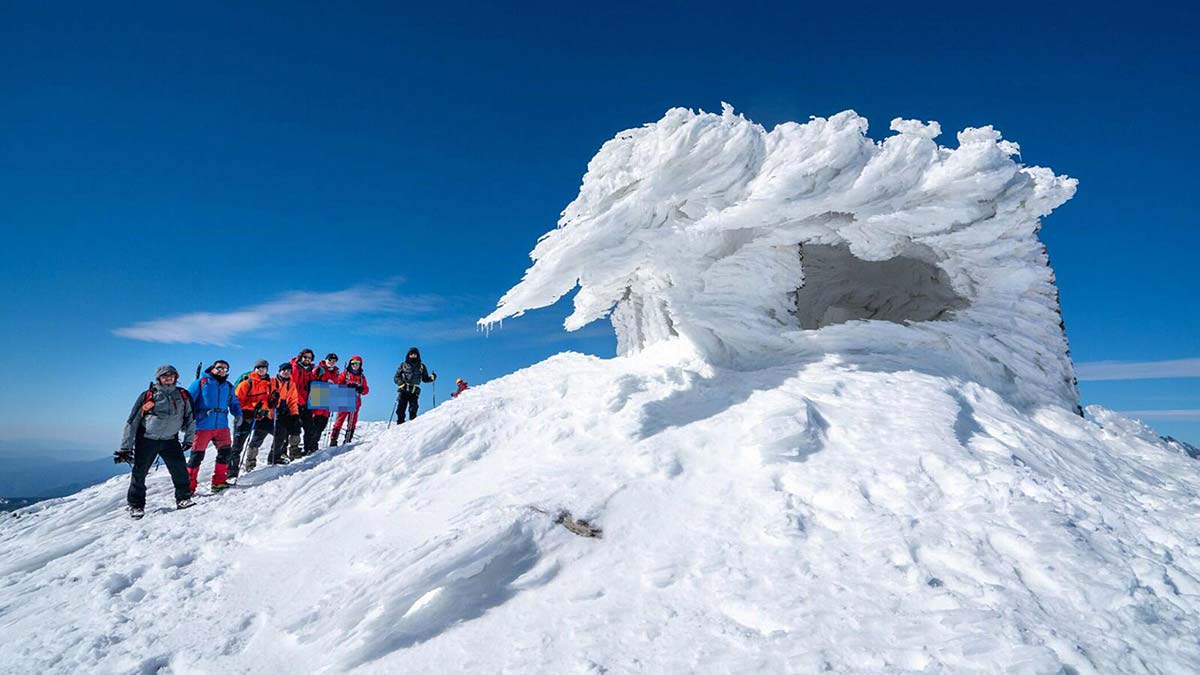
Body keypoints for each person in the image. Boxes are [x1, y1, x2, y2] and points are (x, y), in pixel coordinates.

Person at [119, 365, 196, 518]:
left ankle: (183, 499)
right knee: (139, 473)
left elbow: (190, 418)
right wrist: (126, 447)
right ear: (158, 378)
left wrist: (189, 439)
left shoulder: (183, 395)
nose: (168, 378)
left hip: (170, 440)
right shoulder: (148, 395)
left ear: (176, 377)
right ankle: (136, 505)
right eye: (165, 376)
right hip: (147, 439)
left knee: (180, 470)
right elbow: (133, 421)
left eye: (171, 375)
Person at [186, 359, 243, 492]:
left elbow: (234, 403)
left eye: (225, 369)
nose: (222, 371)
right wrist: (189, 420)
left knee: (225, 453)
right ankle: (189, 487)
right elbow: (188, 402)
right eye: (219, 368)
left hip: (222, 426)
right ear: (212, 368)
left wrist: (238, 414)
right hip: (202, 426)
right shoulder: (201, 383)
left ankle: (218, 482)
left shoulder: (228, 386)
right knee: (196, 457)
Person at [229, 359, 272, 481]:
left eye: (264, 367)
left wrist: (267, 406)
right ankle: (231, 472)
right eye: (259, 367)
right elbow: (236, 402)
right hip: (244, 416)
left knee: (278, 432)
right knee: (237, 446)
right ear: (255, 368)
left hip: (259, 417)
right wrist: (253, 406)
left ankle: (251, 465)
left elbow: (265, 400)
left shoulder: (268, 383)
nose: (261, 369)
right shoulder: (246, 383)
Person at [331, 355, 369, 446]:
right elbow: (337, 384)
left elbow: (366, 390)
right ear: (350, 364)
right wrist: (346, 386)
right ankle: (333, 440)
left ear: (360, 364)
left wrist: (361, 389)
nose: (354, 365)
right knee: (339, 421)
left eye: (357, 363)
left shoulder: (361, 377)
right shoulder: (345, 374)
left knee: (352, 422)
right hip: (344, 400)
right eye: (353, 363)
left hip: (355, 402)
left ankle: (348, 440)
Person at [268, 362, 300, 464]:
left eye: (289, 371)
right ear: (279, 371)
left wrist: (294, 413)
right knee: (279, 434)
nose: (286, 373)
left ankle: (281, 455)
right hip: (272, 412)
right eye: (284, 370)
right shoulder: (271, 381)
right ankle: (273, 457)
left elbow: (293, 400)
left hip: (285, 411)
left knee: (291, 431)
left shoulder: (291, 384)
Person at [393, 347, 436, 423]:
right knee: (400, 410)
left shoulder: (421, 366)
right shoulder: (403, 365)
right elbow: (396, 377)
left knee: (413, 409)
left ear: (417, 355)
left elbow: (425, 379)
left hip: (414, 391)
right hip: (404, 390)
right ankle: (400, 425)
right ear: (408, 355)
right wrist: (401, 383)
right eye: (411, 354)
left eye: (415, 354)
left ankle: (412, 426)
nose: (413, 355)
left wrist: (432, 378)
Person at [310, 352, 340, 451]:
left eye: (334, 361)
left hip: (327, 403)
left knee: (322, 425)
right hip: (318, 399)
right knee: (315, 425)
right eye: (330, 360)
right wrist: (324, 383)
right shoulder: (319, 369)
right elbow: (311, 381)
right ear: (326, 360)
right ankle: (311, 445)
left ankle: (314, 444)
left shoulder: (336, 372)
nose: (331, 363)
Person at [290, 349, 318, 456]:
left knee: (309, 427)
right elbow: (293, 387)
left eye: (309, 358)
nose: (307, 359)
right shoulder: (295, 368)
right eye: (305, 357)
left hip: (307, 404)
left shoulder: (310, 370)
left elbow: (313, 386)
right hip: (296, 403)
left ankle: (309, 449)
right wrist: (301, 402)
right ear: (301, 357)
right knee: (294, 428)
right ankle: (292, 451)